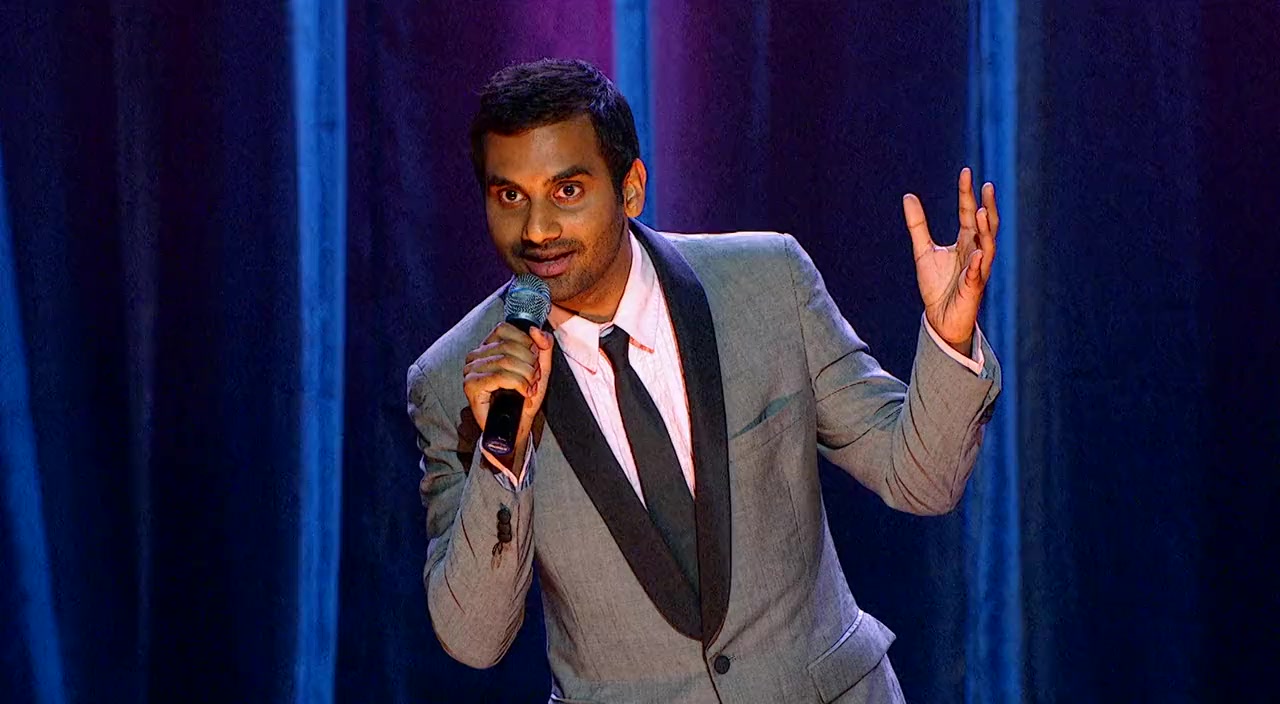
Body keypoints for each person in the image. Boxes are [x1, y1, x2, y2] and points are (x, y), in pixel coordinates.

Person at [407, 58, 1001, 704]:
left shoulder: (767, 282)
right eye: (510, 196)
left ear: (631, 188)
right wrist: (505, 453)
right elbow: (474, 639)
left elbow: (922, 478)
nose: (537, 229)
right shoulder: (453, 381)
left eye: (567, 190)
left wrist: (950, 337)